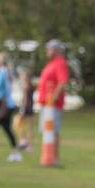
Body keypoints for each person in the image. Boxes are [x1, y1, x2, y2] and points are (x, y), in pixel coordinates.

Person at [36, 39, 71, 167]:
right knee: (47, 131)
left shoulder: (60, 63)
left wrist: (54, 98)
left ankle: (54, 158)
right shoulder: (51, 64)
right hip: (47, 104)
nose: (47, 52)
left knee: (53, 130)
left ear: (55, 50)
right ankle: (47, 156)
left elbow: (62, 82)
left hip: (53, 105)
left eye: (49, 49)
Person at [0, 52, 20, 159]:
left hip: (1, 104)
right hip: (9, 104)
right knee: (6, 128)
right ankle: (15, 150)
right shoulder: (8, 71)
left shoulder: (1, 71)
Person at [13, 67, 36, 155]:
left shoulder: (25, 86)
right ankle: (29, 145)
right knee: (29, 127)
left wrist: (22, 109)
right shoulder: (30, 85)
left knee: (17, 124)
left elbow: (25, 98)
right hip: (31, 108)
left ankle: (23, 141)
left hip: (26, 108)